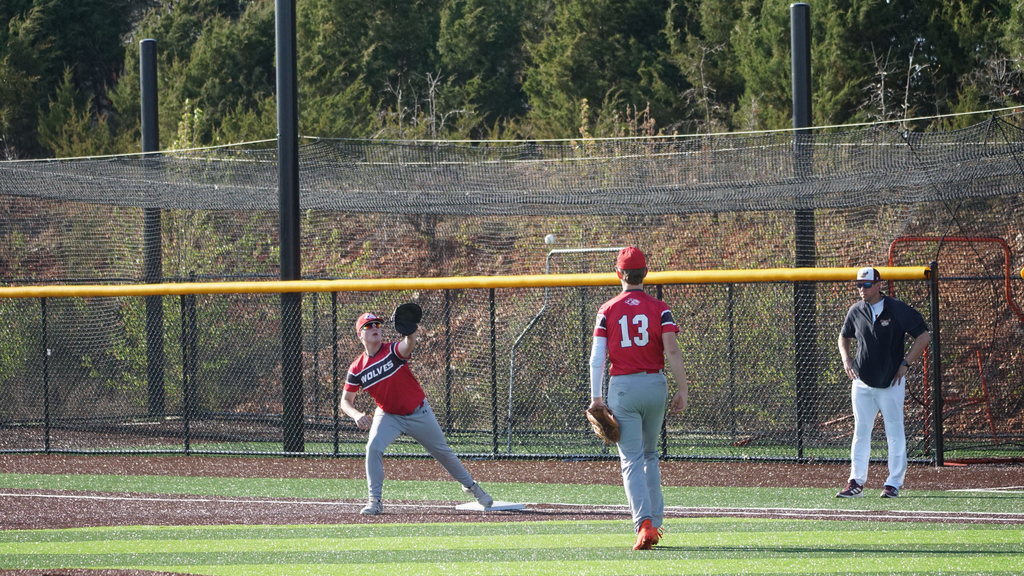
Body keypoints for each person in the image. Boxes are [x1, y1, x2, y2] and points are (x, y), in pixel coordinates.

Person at [340, 310, 493, 515]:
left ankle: (472, 487)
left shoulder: (392, 350)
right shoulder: (357, 368)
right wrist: (356, 414)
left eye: (377, 324)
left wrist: (410, 333)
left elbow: (407, 345)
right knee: (373, 448)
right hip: (388, 415)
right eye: (368, 326)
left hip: (418, 412)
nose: (375, 328)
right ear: (360, 334)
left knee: (443, 453)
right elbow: (345, 401)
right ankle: (374, 500)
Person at [588, 246, 690, 550]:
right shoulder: (660, 308)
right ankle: (655, 524)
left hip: (623, 388)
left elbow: (597, 358)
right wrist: (682, 388)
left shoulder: (607, 309)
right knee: (649, 455)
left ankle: (643, 523)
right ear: (645, 273)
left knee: (630, 458)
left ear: (618, 273)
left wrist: (596, 398)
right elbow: (671, 350)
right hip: (655, 385)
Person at [837, 266, 931, 499]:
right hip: (862, 381)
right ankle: (856, 482)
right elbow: (843, 336)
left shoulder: (897, 309)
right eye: (859, 285)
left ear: (879, 285)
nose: (862, 289)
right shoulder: (856, 310)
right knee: (861, 431)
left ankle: (893, 483)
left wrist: (906, 363)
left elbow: (924, 335)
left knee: (894, 430)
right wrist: (846, 359)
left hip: (891, 382)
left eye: (866, 285)